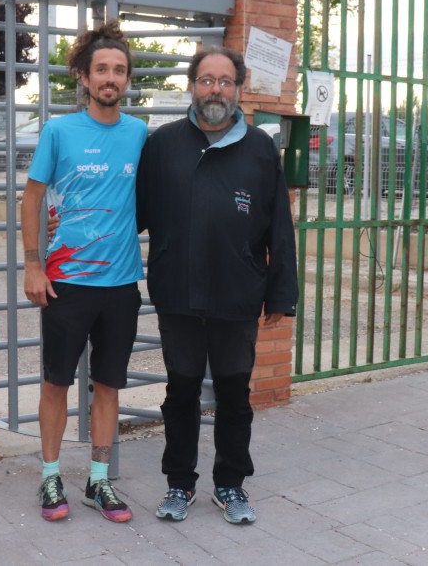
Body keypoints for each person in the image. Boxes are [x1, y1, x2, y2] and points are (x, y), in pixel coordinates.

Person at [137, 45, 298, 525]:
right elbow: (135, 215)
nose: (215, 89)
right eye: (206, 80)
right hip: (179, 295)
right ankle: (179, 485)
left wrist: (280, 293)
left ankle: (230, 484)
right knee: (180, 393)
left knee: (234, 396)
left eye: (225, 81)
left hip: (237, 295)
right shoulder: (163, 144)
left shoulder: (261, 148)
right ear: (191, 86)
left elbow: (280, 228)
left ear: (239, 89)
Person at [21, 20, 148, 524]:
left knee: (109, 385)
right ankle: (50, 475)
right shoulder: (59, 130)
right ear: (85, 77)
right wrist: (33, 263)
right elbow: (31, 200)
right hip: (67, 283)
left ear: (127, 79)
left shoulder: (140, 134)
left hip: (120, 285)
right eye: (102, 69)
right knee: (56, 383)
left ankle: (99, 483)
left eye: (119, 69)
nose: (110, 77)